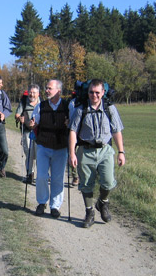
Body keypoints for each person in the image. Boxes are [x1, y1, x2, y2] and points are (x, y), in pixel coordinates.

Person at [68, 79, 126, 228]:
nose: (94, 95)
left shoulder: (109, 108)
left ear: (103, 93)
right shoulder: (81, 109)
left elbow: (116, 131)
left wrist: (121, 152)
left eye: (97, 92)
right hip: (85, 151)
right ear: (87, 92)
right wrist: (72, 153)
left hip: (105, 151)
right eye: (91, 92)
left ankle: (102, 202)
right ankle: (89, 212)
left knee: (108, 182)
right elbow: (73, 131)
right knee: (86, 185)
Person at [29, 79, 69, 218]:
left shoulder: (67, 106)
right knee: (41, 176)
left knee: (57, 178)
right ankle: (42, 202)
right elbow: (34, 123)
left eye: (49, 88)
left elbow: (73, 125)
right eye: (46, 88)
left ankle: (55, 206)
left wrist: (69, 124)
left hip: (61, 147)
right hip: (43, 146)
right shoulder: (41, 106)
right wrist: (32, 124)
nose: (46, 90)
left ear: (58, 91)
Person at [15, 84, 41, 184]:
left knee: (39, 154)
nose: (32, 94)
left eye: (34, 92)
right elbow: (17, 114)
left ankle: (41, 176)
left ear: (38, 94)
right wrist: (19, 118)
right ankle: (30, 174)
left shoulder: (41, 103)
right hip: (27, 131)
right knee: (29, 154)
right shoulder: (24, 102)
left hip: (39, 133)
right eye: (30, 92)